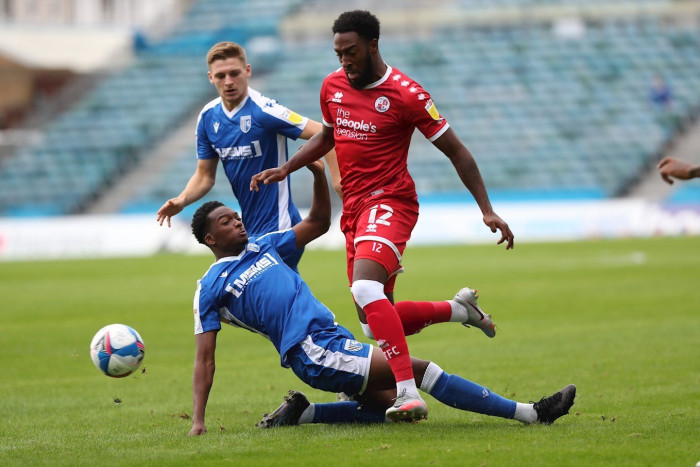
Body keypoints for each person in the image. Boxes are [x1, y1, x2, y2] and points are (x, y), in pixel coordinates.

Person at [250, 10, 513, 420]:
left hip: (391, 202)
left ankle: (407, 392)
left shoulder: (408, 94)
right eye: (338, 53)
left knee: (365, 290)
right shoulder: (333, 86)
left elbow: (457, 152)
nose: (344, 62)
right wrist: (288, 167)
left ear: (373, 45)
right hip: (354, 210)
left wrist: (487, 210)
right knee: (374, 323)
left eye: (351, 52)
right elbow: (328, 135)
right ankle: (459, 310)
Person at [187, 168, 575, 435]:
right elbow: (205, 357)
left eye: (236, 216)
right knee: (419, 371)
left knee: (384, 409)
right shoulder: (210, 286)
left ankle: (302, 414)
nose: (237, 222)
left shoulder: (264, 246)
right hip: (311, 349)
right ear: (210, 239)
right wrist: (199, 420)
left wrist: (320, 175)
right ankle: (531, 413)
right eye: (225, 221)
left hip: (330, 336)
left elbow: (318, 223)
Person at [157, 41, 341, 271]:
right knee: (270, 301)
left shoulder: (265, 110)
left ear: (248, 71)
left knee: (255, 296)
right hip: (247, 228)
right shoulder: (208, 117)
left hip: (280, 225)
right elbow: (205, 176)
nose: (229, 81)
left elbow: (328, 134)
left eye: (234, 73)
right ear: (210, 78)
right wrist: (182, 200)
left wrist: (338, 182)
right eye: (221, 75)